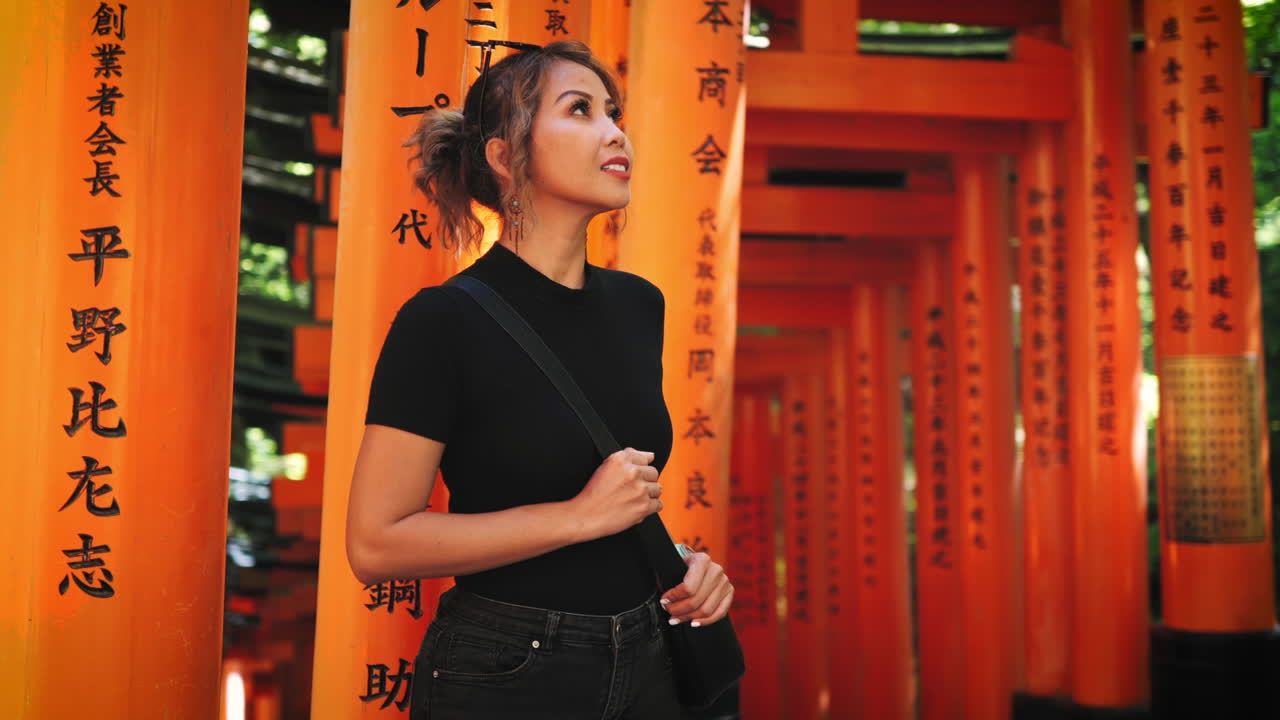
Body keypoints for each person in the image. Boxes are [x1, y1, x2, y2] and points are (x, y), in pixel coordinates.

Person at [345, 41, 735, 719]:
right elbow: (375, 542)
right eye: (579, 110)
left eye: (614, 113)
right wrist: (578, 518)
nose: (616, 133)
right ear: (504, 156)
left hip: (648, 656)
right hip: (507, 668)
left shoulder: (641, 306)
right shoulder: (442, 321)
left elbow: (612, 492)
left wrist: (682, 565)